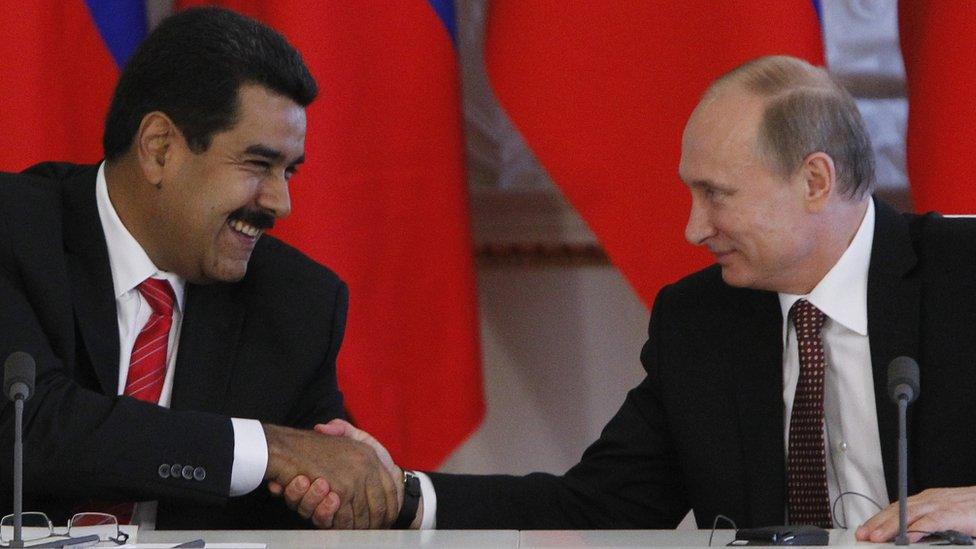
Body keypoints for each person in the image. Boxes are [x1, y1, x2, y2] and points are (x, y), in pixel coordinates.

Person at [285, 55, 976, 541]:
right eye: (691, 191)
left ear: (815, 182)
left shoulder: (961, 275)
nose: (694, 227)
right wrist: (401, 492)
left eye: (718, 194)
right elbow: (597, 505)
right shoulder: (699, 319)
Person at [0, 7, 402, 530]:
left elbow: (318, 473)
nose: (281, 204)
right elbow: (29, 428)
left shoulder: (295, 301)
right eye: (259, 165)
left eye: (289, 171)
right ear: (159, 149)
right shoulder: (13, 231)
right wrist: (269, 446)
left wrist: (346, 486)